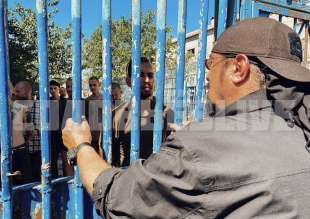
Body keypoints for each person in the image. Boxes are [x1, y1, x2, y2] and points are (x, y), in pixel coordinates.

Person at [62, 18, 310, 218]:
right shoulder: (298, 135)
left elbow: (118, 197)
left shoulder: (198, 141)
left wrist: (81, 146)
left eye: (210, 63)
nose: (207, 75)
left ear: (239, 68)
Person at [112, 57, 174, 166]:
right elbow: (111, 157)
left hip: (157, 178)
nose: (147, 80)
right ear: (128, 81)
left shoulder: (167, 113)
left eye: (150, 76)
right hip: (127, 179)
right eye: (140, 75)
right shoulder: (117, 115)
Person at [12, 81, 33, 184]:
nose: (14, 93)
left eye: (17, 91)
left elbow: (29, 131)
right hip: (19, 150)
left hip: (19, 151)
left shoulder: (21, 107)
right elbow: (29, 131)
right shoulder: (23, 107)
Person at [86, 76, 102, 153]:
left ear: (99, 84)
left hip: (102, 134)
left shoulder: (105, 99)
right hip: (91, 135)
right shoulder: (87, 100)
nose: (92, 87)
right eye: (90, 85)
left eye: (94, 85)